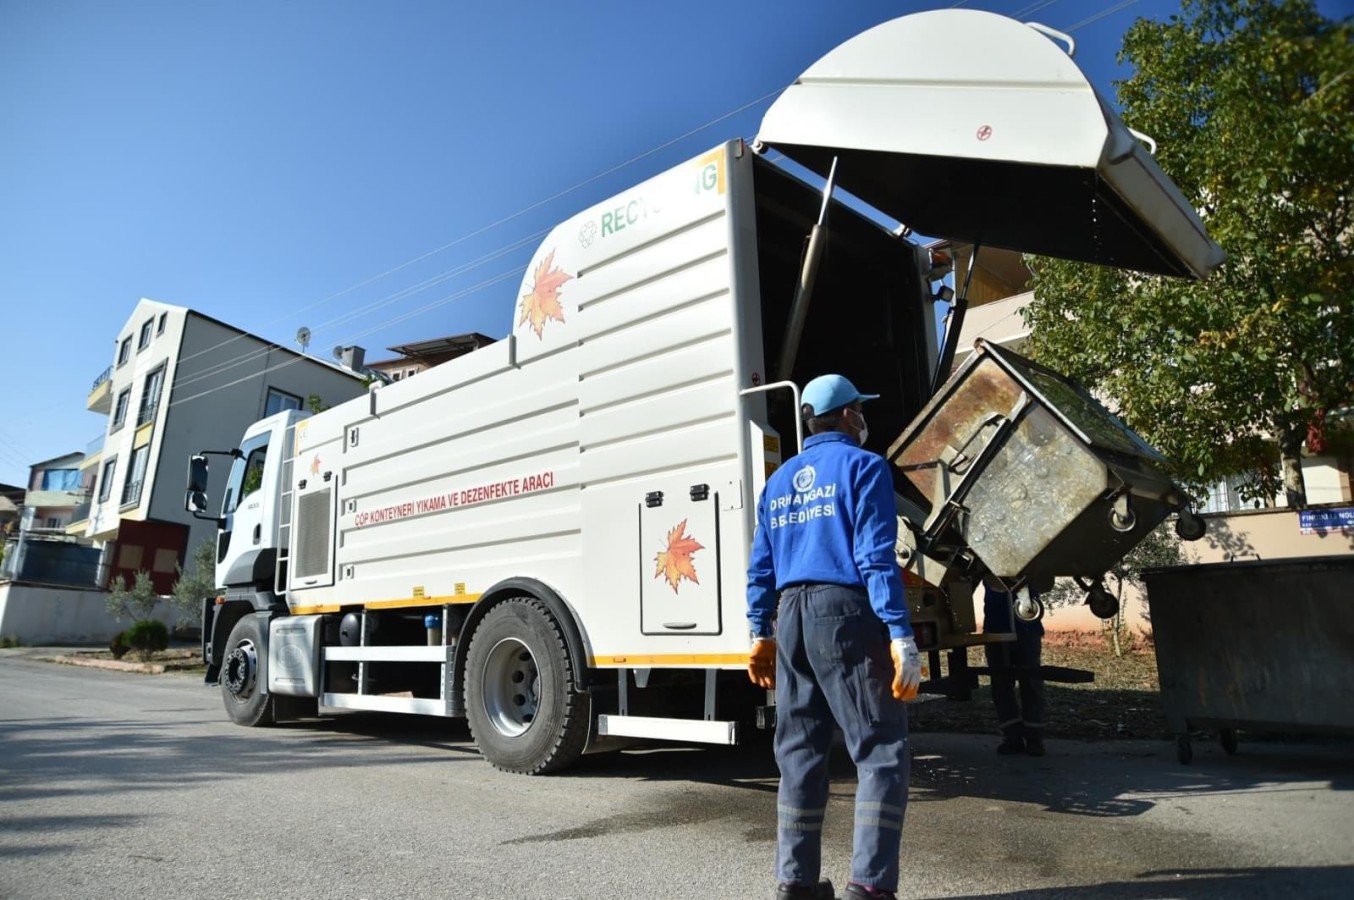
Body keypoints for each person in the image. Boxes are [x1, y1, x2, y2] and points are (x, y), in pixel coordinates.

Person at [746, 373, 922, 900]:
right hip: (844, 613)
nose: (863, 419)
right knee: (881, 748)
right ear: (848, 415)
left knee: (798, 754)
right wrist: (900, 633)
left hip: (791, 617)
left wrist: (761, 631)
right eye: (860, 411)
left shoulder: (778, 483)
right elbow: (874, 558)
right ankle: (868, 887)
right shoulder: (865, 468)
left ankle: (795, 884)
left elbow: (761, 566)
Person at [983, 583, 1046, 756]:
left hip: (1016, 627)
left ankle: (1028, 739)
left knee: (1024, 681)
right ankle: (1018, 738)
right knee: (1007, 684)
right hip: (1007, 628)